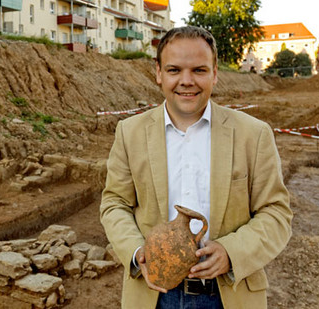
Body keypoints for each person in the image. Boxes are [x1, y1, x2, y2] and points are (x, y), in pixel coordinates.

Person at [99, 26, 293, 309]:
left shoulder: (254, 134)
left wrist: (231, 252)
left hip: (228, 294)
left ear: (215, 73)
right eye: (174, 70)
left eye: (199, 71)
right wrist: (138, 251)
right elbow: (114, 203)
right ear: (159, 73)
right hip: (153, 296)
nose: (186, 81)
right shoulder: (130, 133)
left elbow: (276, 213)